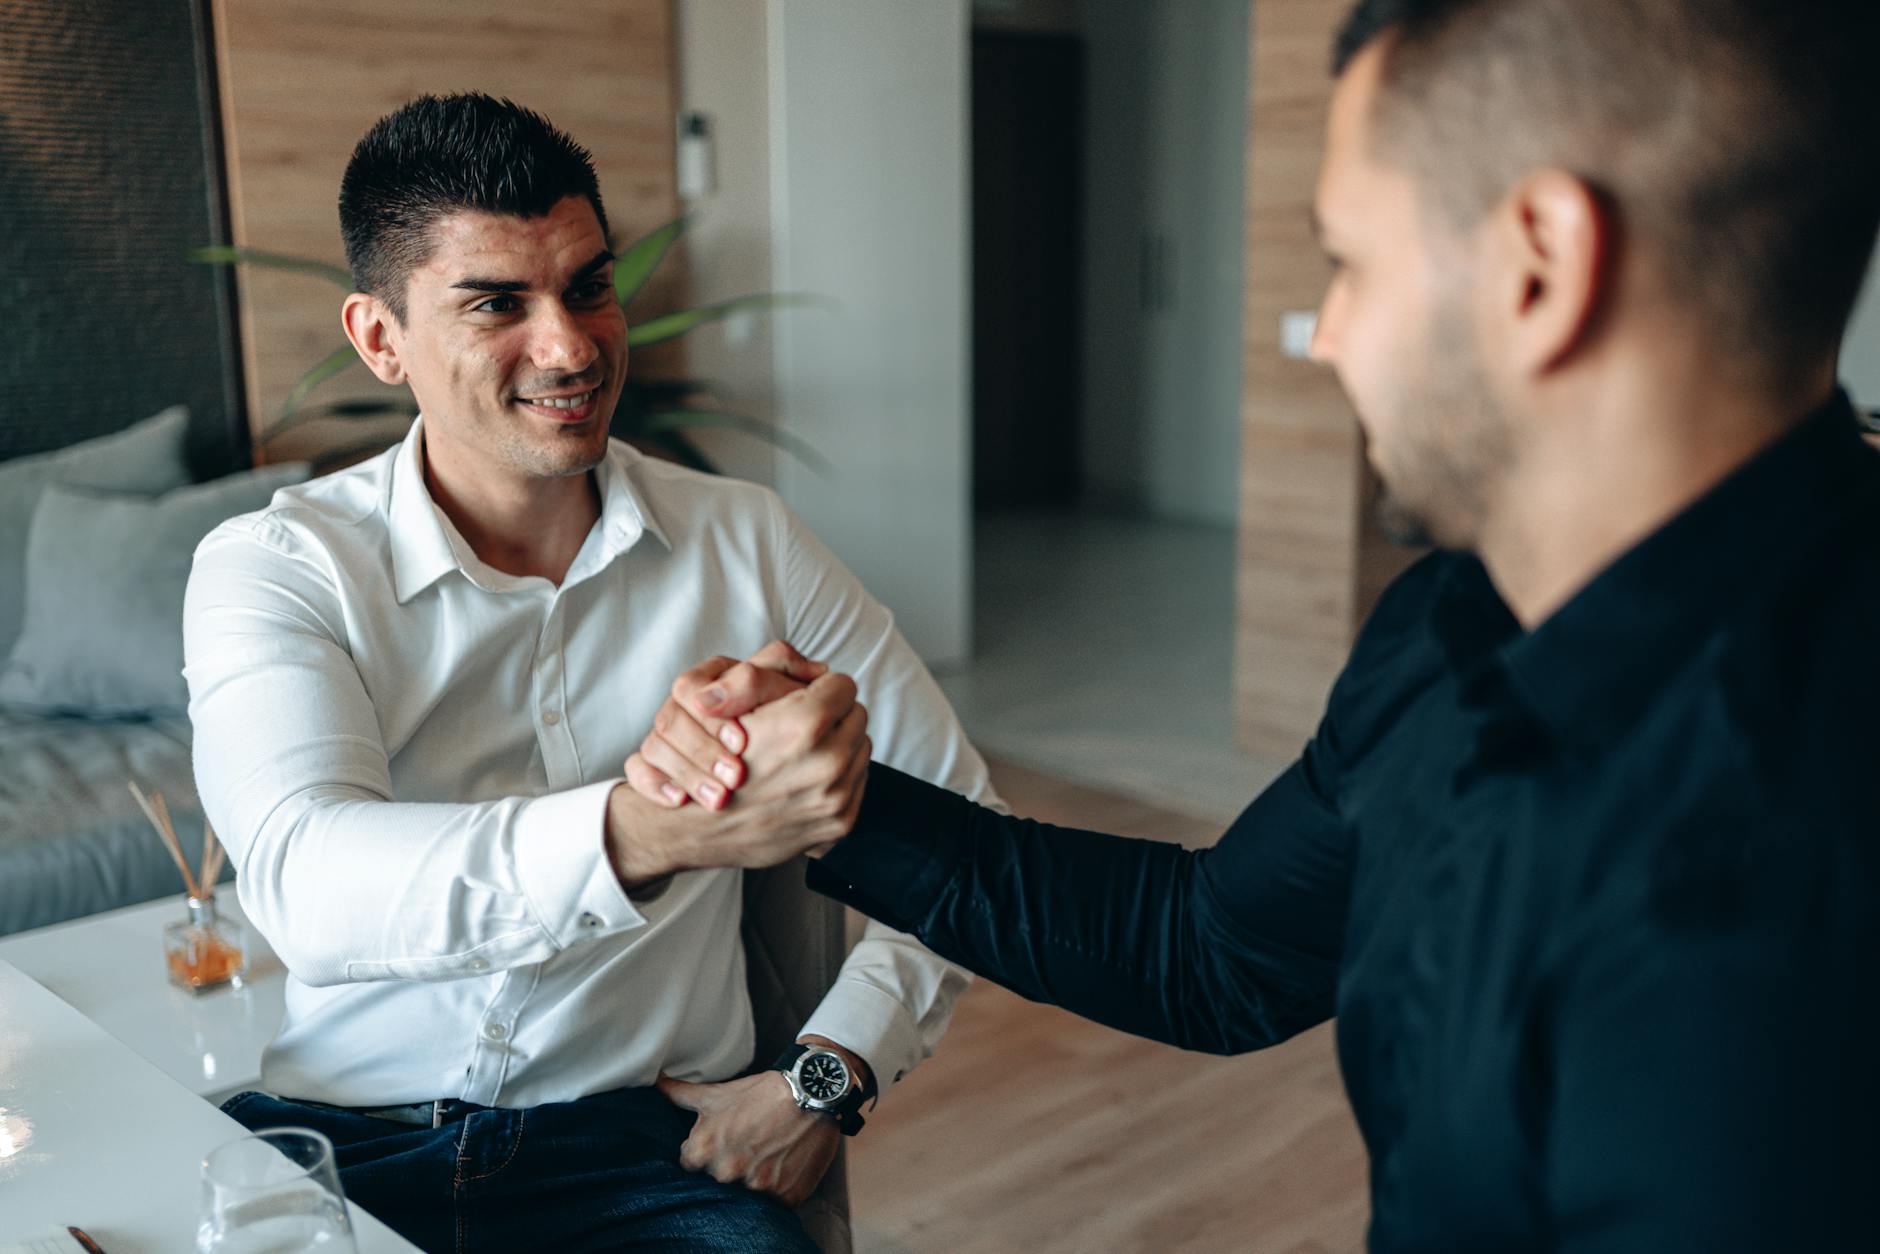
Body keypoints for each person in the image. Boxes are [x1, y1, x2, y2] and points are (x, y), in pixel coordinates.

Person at [623, 0, 1880, 1247]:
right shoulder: (1452, 620)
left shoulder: (1788, 868)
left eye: (1348, 262)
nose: (1324, 335)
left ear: (1538, 267)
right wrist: (838, 802)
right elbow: (1212, 949)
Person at [183, 93, 995, 1253]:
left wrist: (827, 1076)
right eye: (495, 305)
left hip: (647, 1151)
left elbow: (970, 832)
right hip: (346, 1137)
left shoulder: (745, 541)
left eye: (588, 287)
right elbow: (310, 884)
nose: (568, 346)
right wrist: (648, 832)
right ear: (378, 338)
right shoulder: (280, 565)